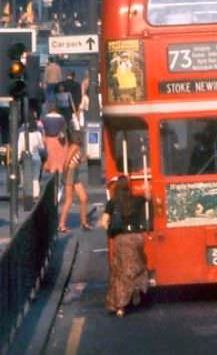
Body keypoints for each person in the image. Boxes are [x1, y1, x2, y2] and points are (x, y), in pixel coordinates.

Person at [99, 175, 149, 318]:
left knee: (120, 272)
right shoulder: (136, 200)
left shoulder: (112, 202)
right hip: (137, 238)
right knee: (137, 266)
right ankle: (136, 292)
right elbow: (148, 198)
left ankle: (121, 306)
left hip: (122, 240)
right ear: (128, 187)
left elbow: (104, 222)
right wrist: (146, 189)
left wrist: (108, 227)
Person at [57, 128, 90, 232]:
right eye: (81, 137)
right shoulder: (74, 146)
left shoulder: (77, 148)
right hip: (70, 174)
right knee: (69, 200)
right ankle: (61, 225)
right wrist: (65, 176)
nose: (82, 138)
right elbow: (67, 162)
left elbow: (76, 161)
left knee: (84, 198)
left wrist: (85, 158)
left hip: (74, 173)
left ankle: (84, 222)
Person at [42, 102, 68, 179]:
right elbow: (64, 129)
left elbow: (42, 129)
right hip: (59, 140)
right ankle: (59, 169)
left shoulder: (44, 118)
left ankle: (51, 169)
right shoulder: (61, 118)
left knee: (50, 156)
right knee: (59, 156)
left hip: (48, 139)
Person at [17, 119, 45, 191]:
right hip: (36, 156)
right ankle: (36, 194)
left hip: (25, 156)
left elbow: (20, 147)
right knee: (35, 177)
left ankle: (27, 192)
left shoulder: (22, 134)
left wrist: (19, 157)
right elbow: (41, 147)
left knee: (26, 176)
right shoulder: (38, 134)